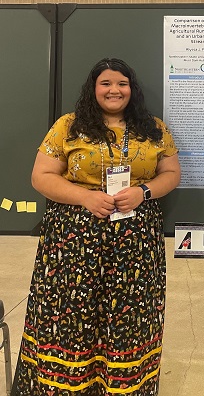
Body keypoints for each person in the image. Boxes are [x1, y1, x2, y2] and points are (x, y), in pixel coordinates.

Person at [15, 58, 181, 396]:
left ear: (132, 89)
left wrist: (142, 192)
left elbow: (171, 174)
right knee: (70, 316)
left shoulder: (154, 128)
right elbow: (41, 177)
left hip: (136, 241)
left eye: (121, 83)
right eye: (105, 83)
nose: (114, 90)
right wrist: (84, 197)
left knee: (129, 318)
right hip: (74, 239)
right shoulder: (69, 127)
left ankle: (123, 387)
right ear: (94, 89)